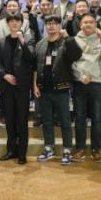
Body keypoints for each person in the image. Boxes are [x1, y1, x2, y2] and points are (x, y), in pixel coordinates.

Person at [65, 13, 101, 162]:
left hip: (98, 83)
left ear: (95, 24)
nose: (88, 24)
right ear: (81, 25)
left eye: (91, 22)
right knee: (80, 117)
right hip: (80, 83)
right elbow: (70, 63)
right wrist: (81, 77)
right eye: (85, 22)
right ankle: (80, 149)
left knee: (97, 118)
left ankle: (96, 150)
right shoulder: (74, 40)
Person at [33, 15, 73, 165]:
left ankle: (67, 150)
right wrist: (35, 85)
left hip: (61, 88)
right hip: (44, 89)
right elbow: (35, 67)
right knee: (47, 121)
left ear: (60, 26)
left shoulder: (65, 42)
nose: (51, 26)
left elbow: (76, 54)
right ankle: (49, 148)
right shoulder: (40, 44)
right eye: (48, 23)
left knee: (65, 121)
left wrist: (68, 37)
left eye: (55, 23)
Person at [0, 13, 36, 164]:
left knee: (22, 121)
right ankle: (11, 150)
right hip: (7, 86)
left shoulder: (29, 39)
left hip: (22, 87)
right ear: (7, 24)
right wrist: (5, 75)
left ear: (21, 23)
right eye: (11, 21)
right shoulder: (2, 42)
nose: (14, 23)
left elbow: (31, 57)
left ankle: (22, 153)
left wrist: (22, 40)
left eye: (17, 21)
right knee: (10, 120)